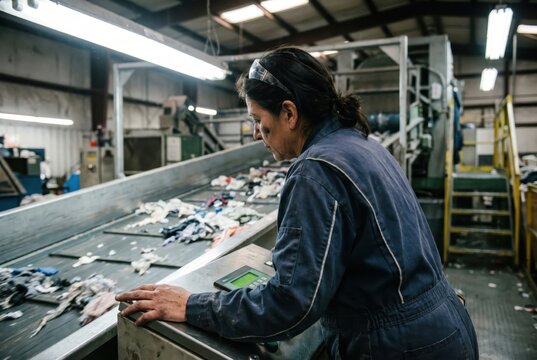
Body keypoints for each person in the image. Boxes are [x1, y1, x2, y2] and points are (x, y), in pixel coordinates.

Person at [116, 47, 479, 359]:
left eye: (259, 120)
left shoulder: (314, 171)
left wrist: (190, 306)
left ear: (289, 113)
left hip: (399, 346)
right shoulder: (361, 145)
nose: (257, 133)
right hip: (442, 328)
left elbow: (292, 303)